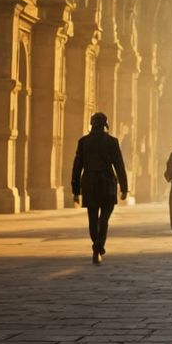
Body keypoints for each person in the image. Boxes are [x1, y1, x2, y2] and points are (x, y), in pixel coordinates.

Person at [71, 112, 128, 265]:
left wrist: (75, 190)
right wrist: (124, 188)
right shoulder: (112, 142)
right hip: (107, 183)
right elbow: (119, 165)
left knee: (92, 218)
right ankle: (98, 247)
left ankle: (97, 248)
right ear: (105, 125)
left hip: (89, 184)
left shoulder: (83, 142)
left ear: (92, 124)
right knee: (104, 219)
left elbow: (77, 167)